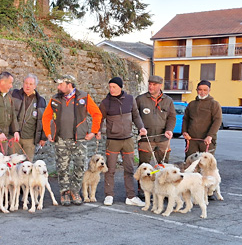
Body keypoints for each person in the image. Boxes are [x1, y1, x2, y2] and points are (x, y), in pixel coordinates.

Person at [42, 75, 102, 205]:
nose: (58, 87)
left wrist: (93, 131)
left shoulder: (84, 97)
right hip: (61, 139)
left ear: (69, 85)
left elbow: (97, 113)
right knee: (62, 168)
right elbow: (46, 117)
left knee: (80, 166)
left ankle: (75, 191)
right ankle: (64, 193)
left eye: (61, 84)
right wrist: (48, 133)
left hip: (79, 139)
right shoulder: (55, 99)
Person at [99, 77, 147, 207]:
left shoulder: (130, 99)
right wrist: (97, 131)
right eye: (110, 87)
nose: (111, 89)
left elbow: (136, 116)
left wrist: (141, 127)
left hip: (128, 140)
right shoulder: (105, 103)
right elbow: (99, 118)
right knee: (110, 170)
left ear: (120, 87)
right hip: (112, 140)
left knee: (129, 168)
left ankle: (130, 196)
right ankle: (109, 195)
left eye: (114, 87)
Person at [135, 75, 176, 166]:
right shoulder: (140, 99)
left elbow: (172, 117)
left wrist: (169, 130)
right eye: (150, 84)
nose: (151, 86)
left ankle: (159, 181)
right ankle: (142, 181)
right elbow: (134, 116)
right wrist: (140, 128)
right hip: (146, 138)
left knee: (163, 167)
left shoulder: (168, 100)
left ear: (160, 85)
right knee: (144, 167)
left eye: (154, 84)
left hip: (163, 139)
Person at [182, 80, 222, 158]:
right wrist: (184, 132)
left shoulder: (214, 104)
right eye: (200, 90)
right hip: (191, 140)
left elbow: (217, 120)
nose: (202, 92)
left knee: (206, 166)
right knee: (190, 164)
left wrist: (210, 136)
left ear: (209, 90)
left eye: (205, 90)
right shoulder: (191, 104)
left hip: (207, 140)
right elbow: (186, 119)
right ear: (197, 90)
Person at [11, 73, 47, 160]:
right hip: (14, 136)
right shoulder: (14, 95)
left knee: (28, 165)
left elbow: (44, 120)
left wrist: (43, 138)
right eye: (26, 83)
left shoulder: (40, 101)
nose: (28, 86)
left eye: (31, 84)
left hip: (30, 139)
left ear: (35, 86)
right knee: (11, 162)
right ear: (23, 84)